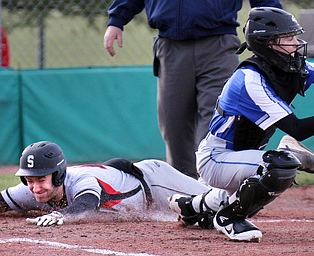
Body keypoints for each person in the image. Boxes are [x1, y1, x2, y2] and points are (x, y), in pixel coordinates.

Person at [168, 7, 314, 242]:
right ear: (268, 43)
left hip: (242, 157)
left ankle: (192, 207)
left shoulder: (288, 67)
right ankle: (228, 218)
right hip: (217, 158)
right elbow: (296, 128)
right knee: (279, 167)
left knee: (266, 173)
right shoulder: (250, 78)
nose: (297, 43)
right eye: (289, 38)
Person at [103, 0, 282, 178]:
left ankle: (213, 187)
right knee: (174, 124)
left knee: (216, 118)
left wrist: (277, 28)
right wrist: (116, 21)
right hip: (171, 46)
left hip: (219, 44)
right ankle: (184, 186)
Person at [0, 140, 225, 226]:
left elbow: (86, 204)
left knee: (222, 202)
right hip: (144, 194)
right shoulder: (32, 190)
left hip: (155, 183)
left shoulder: (81, 181)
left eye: (40, 180)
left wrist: (59, 216)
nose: (34, 188)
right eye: (29, 180)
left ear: (58, 175)